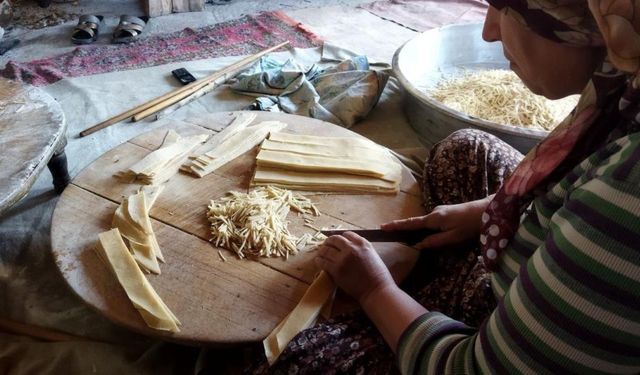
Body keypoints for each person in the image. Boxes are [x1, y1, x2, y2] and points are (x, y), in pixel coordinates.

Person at [247, 0, 640, 373]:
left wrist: (374, 291)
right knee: (467, 150)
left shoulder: (625, 199)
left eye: (503, 8)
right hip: (545, 278)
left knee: (297, 360)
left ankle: (421, 298)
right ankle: (432, 276)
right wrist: (491, 210)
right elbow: (567, 182)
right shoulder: (626, 65)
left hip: (491, 344)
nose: (488, 32)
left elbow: (472, 369)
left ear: (576, 18)